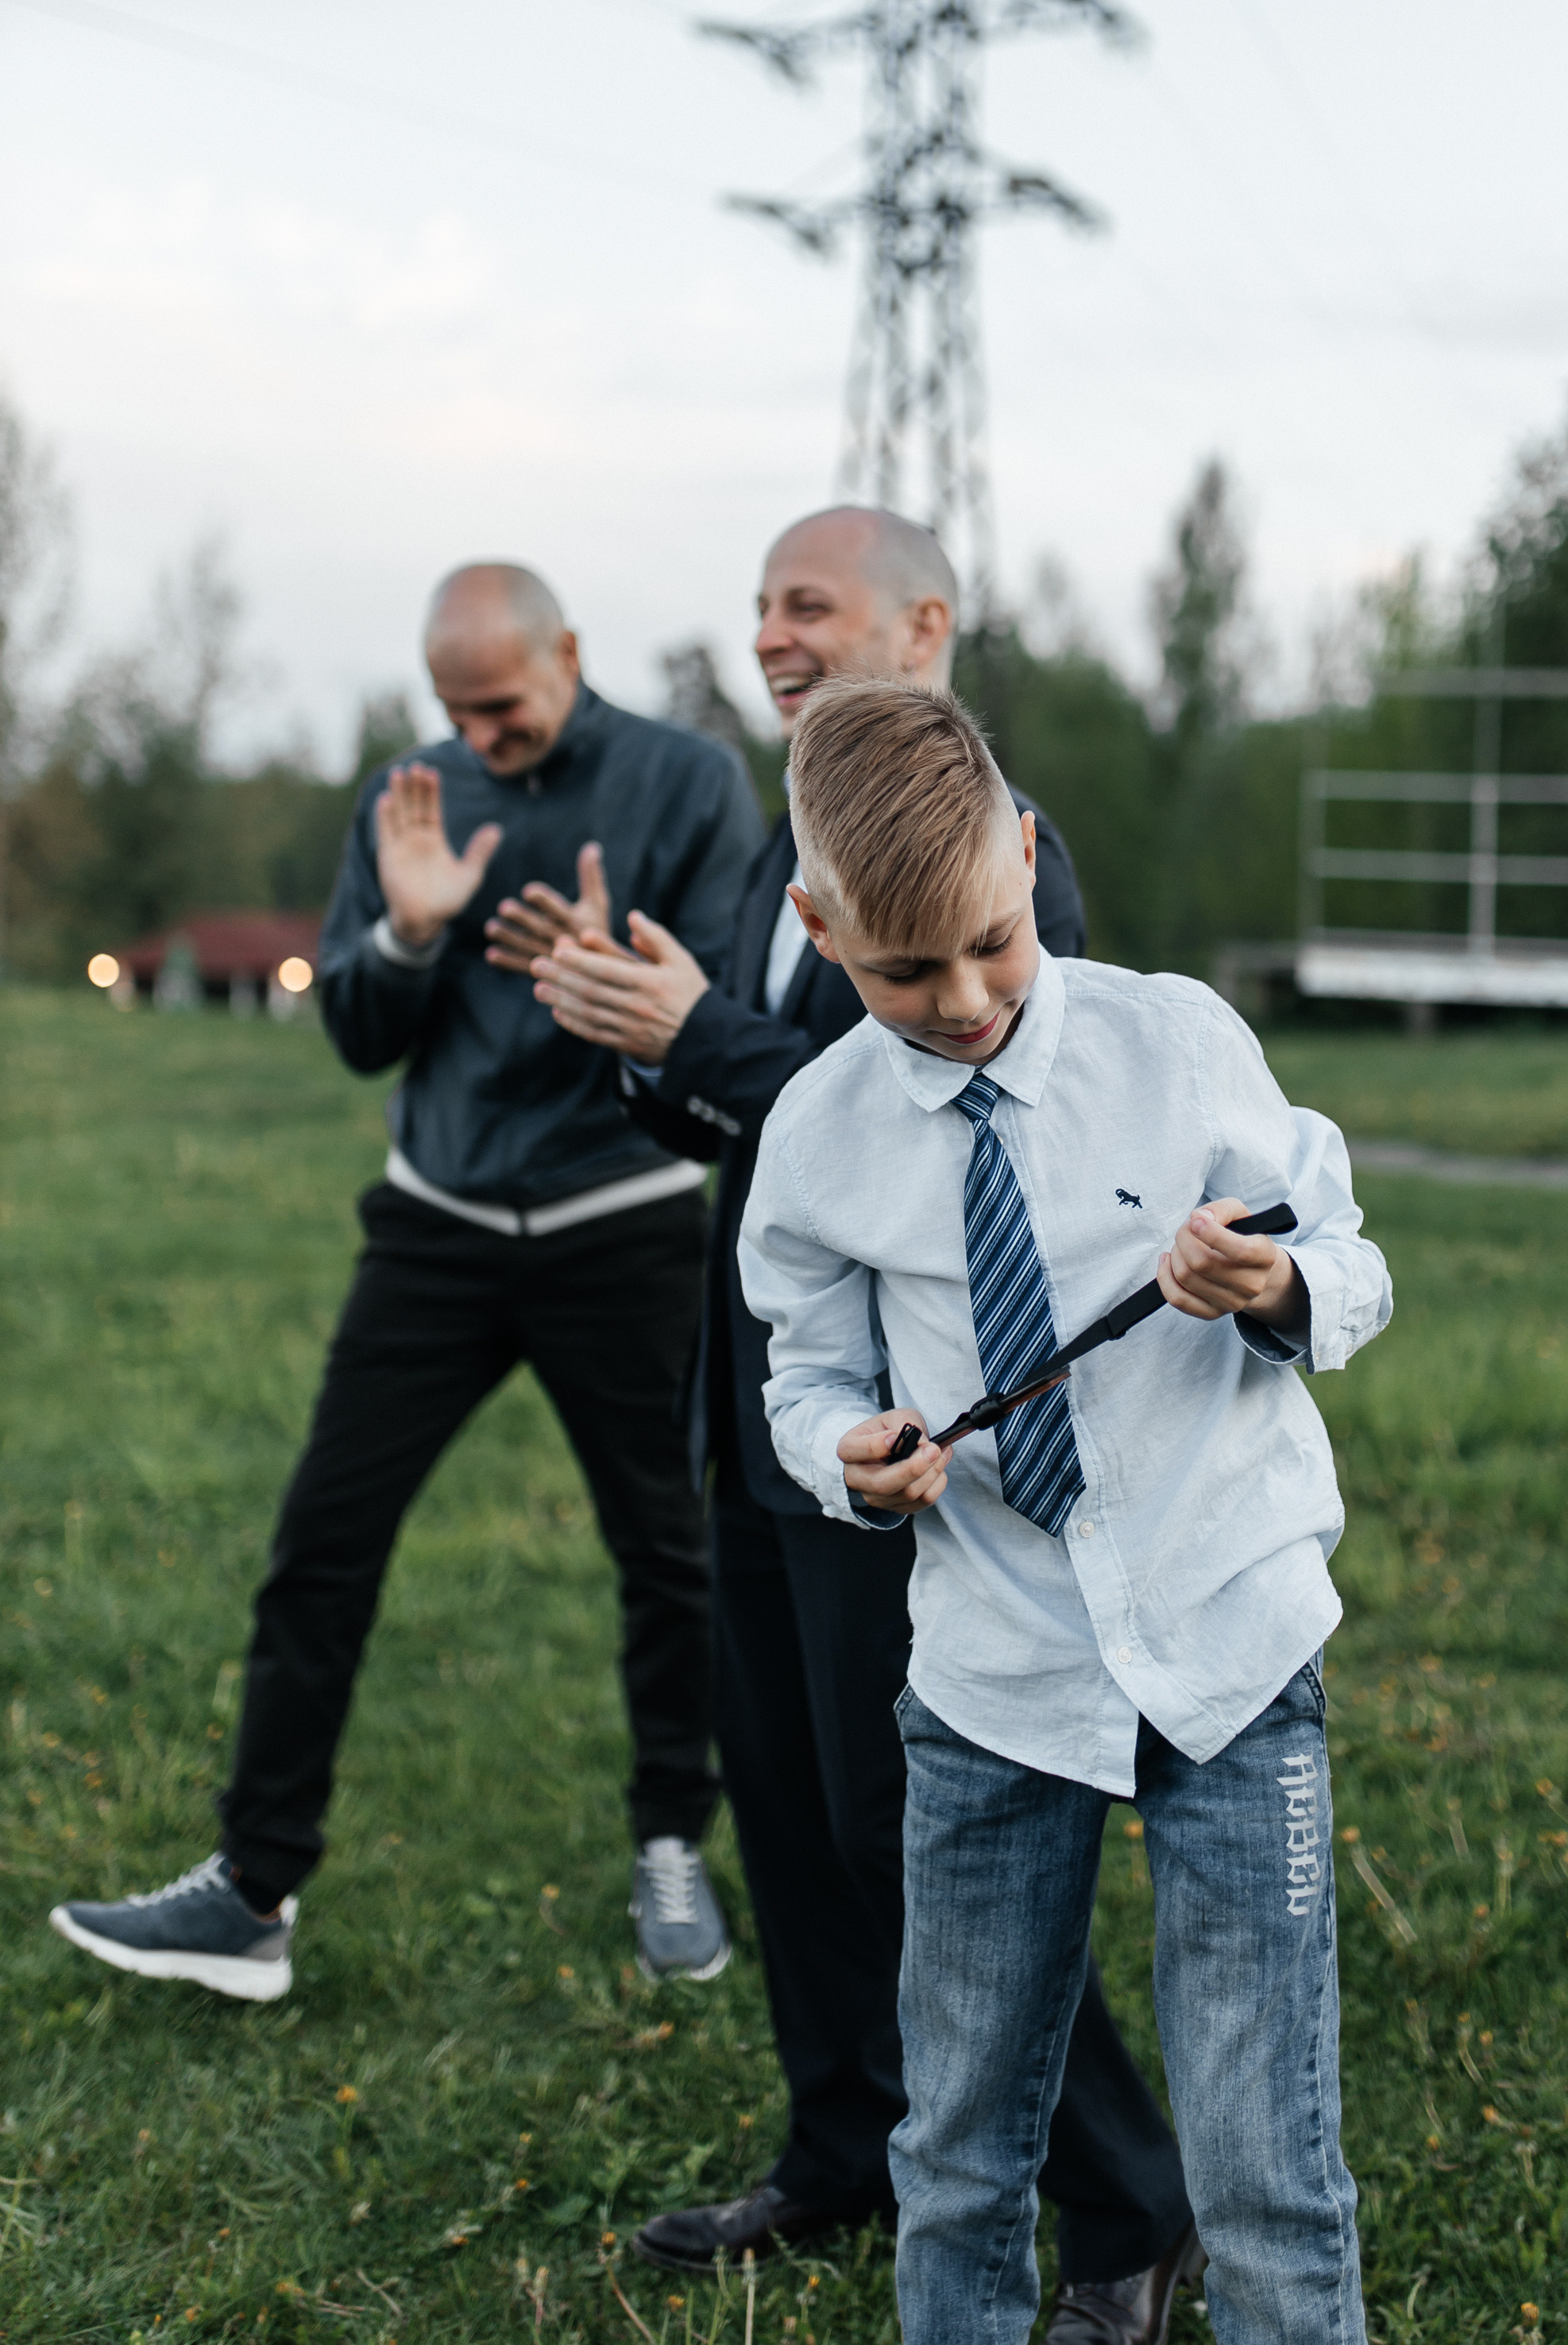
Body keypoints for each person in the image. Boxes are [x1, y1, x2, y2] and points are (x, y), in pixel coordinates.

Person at [518, 511, 1201, 2345]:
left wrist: (703, 1038)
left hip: (924, 1443)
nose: (772, 638)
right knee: (793, 1804)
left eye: (806, 605)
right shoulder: (779, 840)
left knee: (929, 1834)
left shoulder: (994, 853)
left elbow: (935, 1097)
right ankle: (847, 2145)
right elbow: (781, 1139)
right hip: (771, 1405)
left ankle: (1131, 2208)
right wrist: (639, 1034)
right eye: (756, 610)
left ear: (926, 621)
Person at [740, 678, 1393, 2345]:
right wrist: (849, 1455)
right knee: (957, 2142)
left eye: (991, 944)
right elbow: (801, 1381)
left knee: (1266, 2159)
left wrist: (1270, 1280)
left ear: (1028, 860)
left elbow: (1351, 1261)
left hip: (1230, 1650)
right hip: (993, 1679)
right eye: (901, 971)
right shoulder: (816, 1143)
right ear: (820, 928)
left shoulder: (1174, 1042)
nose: (961, 999)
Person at [48, 563, 765, 2002]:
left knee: (664, 1554)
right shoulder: (413, 796)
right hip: (434, 1220)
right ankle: (252, 1890)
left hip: (619, 1220)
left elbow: (729, 1015)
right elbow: (360, 1032)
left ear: (566, 653)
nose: (476, 736)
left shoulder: (690, 783)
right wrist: (412, 930)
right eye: (453, 708)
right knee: (323, 1538)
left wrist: (609, 977)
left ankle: (670, 1844)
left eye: (499, 706)